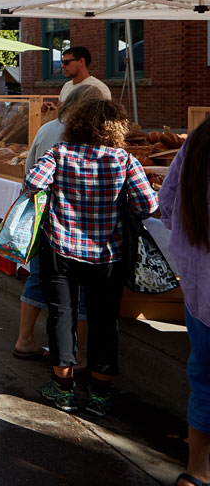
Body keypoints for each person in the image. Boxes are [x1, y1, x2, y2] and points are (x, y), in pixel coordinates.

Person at [25, 98, 158, 416]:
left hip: (61, 249)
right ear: (116, 128)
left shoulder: (60, 153)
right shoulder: (124, 160)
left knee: (62, 317)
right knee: (104, 322)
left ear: (77, 123)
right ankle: (100, 394)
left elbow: (31, 185)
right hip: (108, 254)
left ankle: (63, 390)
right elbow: (147, 207)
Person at [13, 85, 97, 364]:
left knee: (38, 277)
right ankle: (77, 354)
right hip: (85, 227)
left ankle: (25, 339)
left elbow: (30, 175)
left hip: (45, 218)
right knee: (81, 289)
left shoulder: (47, 129)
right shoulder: (95, 138)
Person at [161, 113, 210, 486]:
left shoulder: (199, 139)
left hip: (202, 288)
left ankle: (197, 471)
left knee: (205, 382)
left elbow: (167, 202)